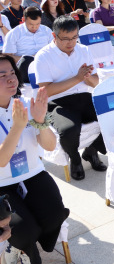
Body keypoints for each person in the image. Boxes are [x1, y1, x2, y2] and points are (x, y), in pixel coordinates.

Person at [0, 56, 69, 264]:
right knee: (24, 229)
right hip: (2, 184)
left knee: (56, 214)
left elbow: (49, 146)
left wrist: (41, 122)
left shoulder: (26, 103)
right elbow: (2, 161)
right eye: (2, 76)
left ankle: (27, 242)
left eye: (12, 73)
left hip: (33, 174)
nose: (11, 79)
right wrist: (18, 127)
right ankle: (18, 249)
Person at [33, 16, 107, 180]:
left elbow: (95, 82)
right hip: (57, 102)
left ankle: (91, 151)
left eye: (74, 37)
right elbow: (45, 91)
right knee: (68, 130)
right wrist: (77, 78)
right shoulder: (43, 56)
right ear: (54, 36)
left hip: (84, 96)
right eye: (65, 38)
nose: (71, 42)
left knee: (111, 116)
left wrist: (87, 77)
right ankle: (75, 158)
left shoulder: (83, 50)